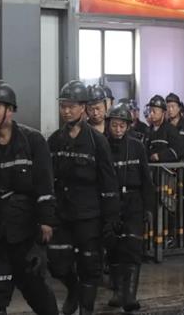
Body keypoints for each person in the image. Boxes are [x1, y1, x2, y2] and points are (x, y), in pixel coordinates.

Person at [0, 80, 59, 315]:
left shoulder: (33, 141)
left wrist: (46, 225)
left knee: (38, 292)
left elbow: (45, 187)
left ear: (10, 110)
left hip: (26, 235)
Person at [48, 80, 118, 315]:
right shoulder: (54, 141)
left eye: (71, 106)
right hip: (62, 215)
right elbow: (46, 180)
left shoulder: (98, 142)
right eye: (63, 106)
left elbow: (108, 182)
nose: (66, 111)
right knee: (57, 263)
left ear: (83, 108)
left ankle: (86, 309)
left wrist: (110, 219)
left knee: (89, 267)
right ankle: (73, 290)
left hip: (89, 216)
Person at [104, 103, 155, 313]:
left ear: (128, 126)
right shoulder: (102, 146)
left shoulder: (137, 146)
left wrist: (149, 208)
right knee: (114, 248)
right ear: (108, 125)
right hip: (111, 202)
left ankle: (130, 295)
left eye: (122, 126)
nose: (118, 130)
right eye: (114, 125)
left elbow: (146, 180)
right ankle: (117, 292)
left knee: (133, 248)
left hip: (134, 202)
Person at [144, 95, 181, 163]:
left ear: (163, 112)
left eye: (154, 111)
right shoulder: (148, 131)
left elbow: (177, 151)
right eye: (150, 110)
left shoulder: (171, 130)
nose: (151, 114)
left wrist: (160, 156)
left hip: (167, 168)